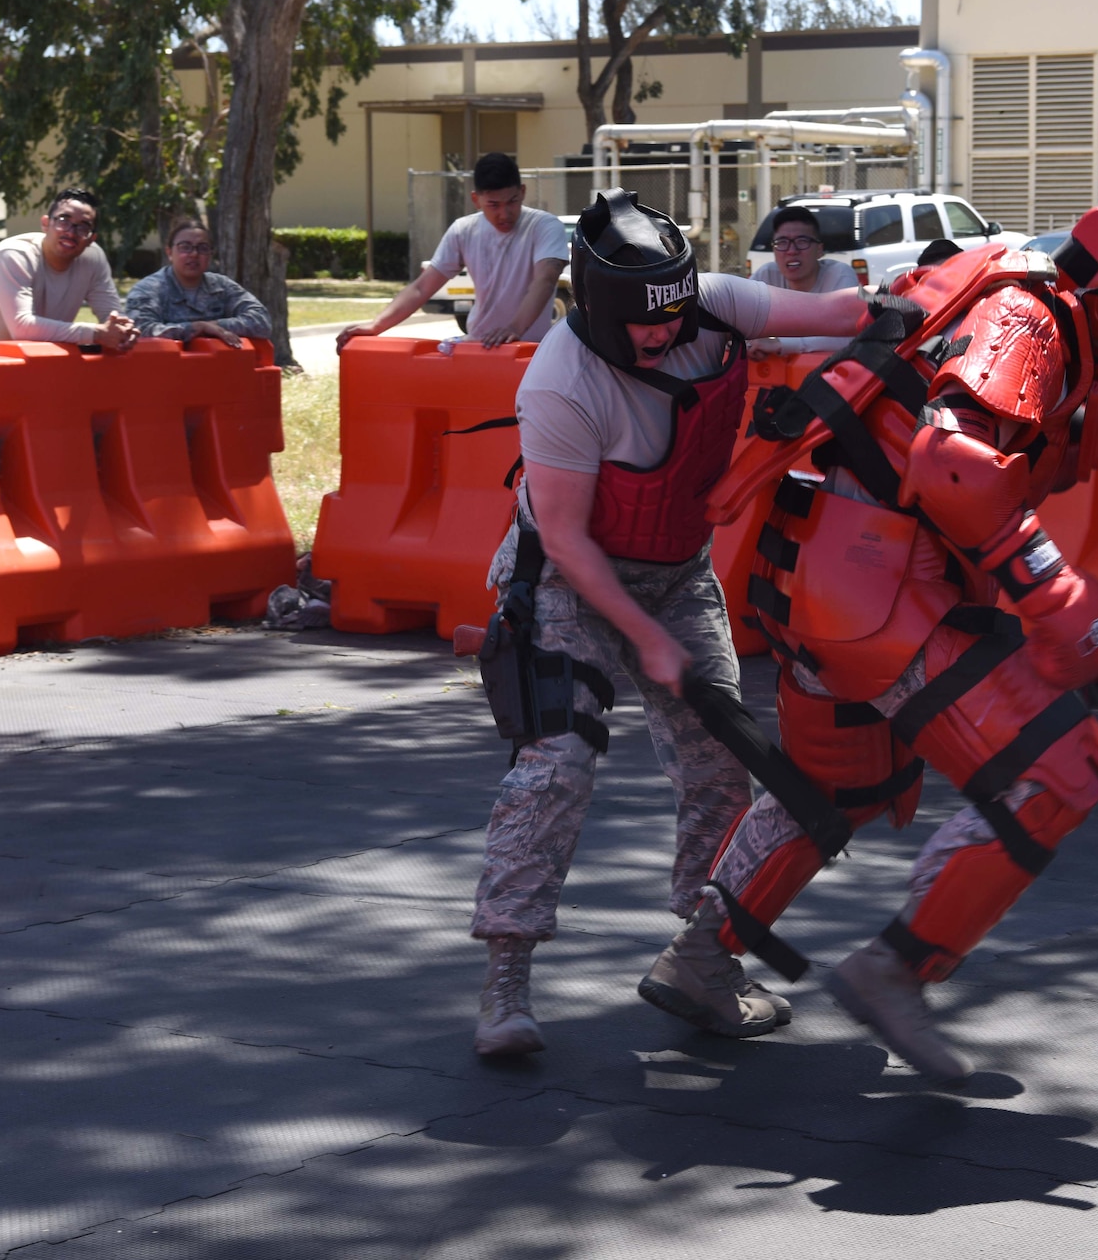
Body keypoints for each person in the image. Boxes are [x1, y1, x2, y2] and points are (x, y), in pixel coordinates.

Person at [640, 202, 1098, 1085]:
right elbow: (952, 461)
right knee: (1060, 770)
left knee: (841, 784)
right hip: (874, 581)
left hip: (816, 571)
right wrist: (1050, 587)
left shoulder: (1021, 300)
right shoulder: (1033, 315)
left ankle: (700, 956)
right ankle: (896, 969)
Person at [470, 189, 870, 1058]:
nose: (667, 336)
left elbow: (839, 311)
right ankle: (506, 976)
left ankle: (705, 957)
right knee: (558, 763)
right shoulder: (560, 383)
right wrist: (642, 637)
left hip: (676, 573)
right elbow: (570, 540)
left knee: (722, 765)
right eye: (646, 327)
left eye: (676, 317)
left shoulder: (708, 306)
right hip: (570, 582)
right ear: (603, 312)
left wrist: (918, 302)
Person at [336, 152, 568, 352]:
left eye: (512, 202)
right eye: (493, 205)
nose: (504, 214)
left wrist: (514, 329)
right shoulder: (464, 230)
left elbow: (545, 280)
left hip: (530, 352)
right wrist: (376, 326)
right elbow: (421, 288)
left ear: (523, 192)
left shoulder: (545, 226)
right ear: (476, 200)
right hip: (478, 347)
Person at [0, 188, 136, 350]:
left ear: (92, 239)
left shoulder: (93, 258)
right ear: (45, 223)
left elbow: (111, 315)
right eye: (64, 220)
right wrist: (95, 333)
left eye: (83, 227)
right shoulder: (15, 255)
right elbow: (22, 328)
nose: (71, 233)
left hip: (47, 362)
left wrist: (123, 330)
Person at [123, 218, 272, 347]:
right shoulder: (148, 290)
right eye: (185, 247)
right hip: (165, 370)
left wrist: (216, 326)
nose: (194, 254)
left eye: (203, 248)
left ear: (210, 254)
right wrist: (195, 328)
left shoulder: (221, 286)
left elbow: (262, 321)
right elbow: (140, 330)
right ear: (169, 252)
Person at [749, 205, 859, 356]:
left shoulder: (839, 275)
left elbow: (850, 335)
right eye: (782, 242)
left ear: (819, 250)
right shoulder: (766, 276)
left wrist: (780, 344)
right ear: (774, 251)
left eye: (802, 241)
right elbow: (735, 324)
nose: (792, 251)